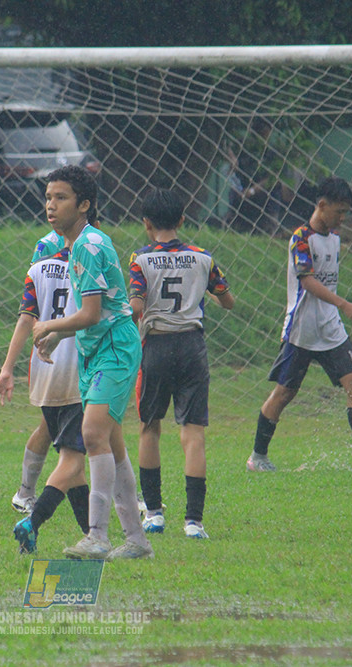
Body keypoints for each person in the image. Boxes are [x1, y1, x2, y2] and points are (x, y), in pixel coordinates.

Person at [32, 165, 153, 561]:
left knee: (92, 435)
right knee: (113, 446)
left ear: (84, 205)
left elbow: (91, 313)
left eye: (61, 198)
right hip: (97, 349)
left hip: (115, 348)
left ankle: (98, 536)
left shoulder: (88, 244)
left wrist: (49, 324)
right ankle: (136, 540)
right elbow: (88, 318)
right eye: (49, 197)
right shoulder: (79, 242)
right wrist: (57, 335)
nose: (51, 205)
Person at [246, 178, 352, 473]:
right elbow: (307, 281)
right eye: (340, 212)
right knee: (284, 394)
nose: (343, 219)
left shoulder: (335, 239)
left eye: (346, 213)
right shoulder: (300, 239)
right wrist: (345, 305)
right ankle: (257, 457)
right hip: (301, 332)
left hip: (331, 329)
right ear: (322, 205)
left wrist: (338, 311)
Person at [128, 189, 236, 540]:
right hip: (192, 345)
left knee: (149, 427)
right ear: (182, 220)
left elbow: (135, 306)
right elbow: (227, 302)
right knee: (193, 434)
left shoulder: (140, 259)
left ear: (146, 223)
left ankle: (155, 515)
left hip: (156, 345)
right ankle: (194, 522)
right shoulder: (202, 258)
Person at [0, 244, 90, 554]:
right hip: (77, 371)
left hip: (45, 375)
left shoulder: (37, 269)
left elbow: (24, 320)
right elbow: (96, 315)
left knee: (75, 469)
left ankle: (93, 535)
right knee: (72, 460)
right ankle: (32, 522)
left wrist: (7, 369)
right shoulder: (90, 264)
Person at [0, 228, 67, 515]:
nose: (53, 205)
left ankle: (25, 493)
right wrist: (7, 368)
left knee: (74, 426)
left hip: (81, 351)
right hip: (54, 353)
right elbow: (30, 311)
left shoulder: (92, 241)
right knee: (65, 427)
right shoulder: (47, 246)